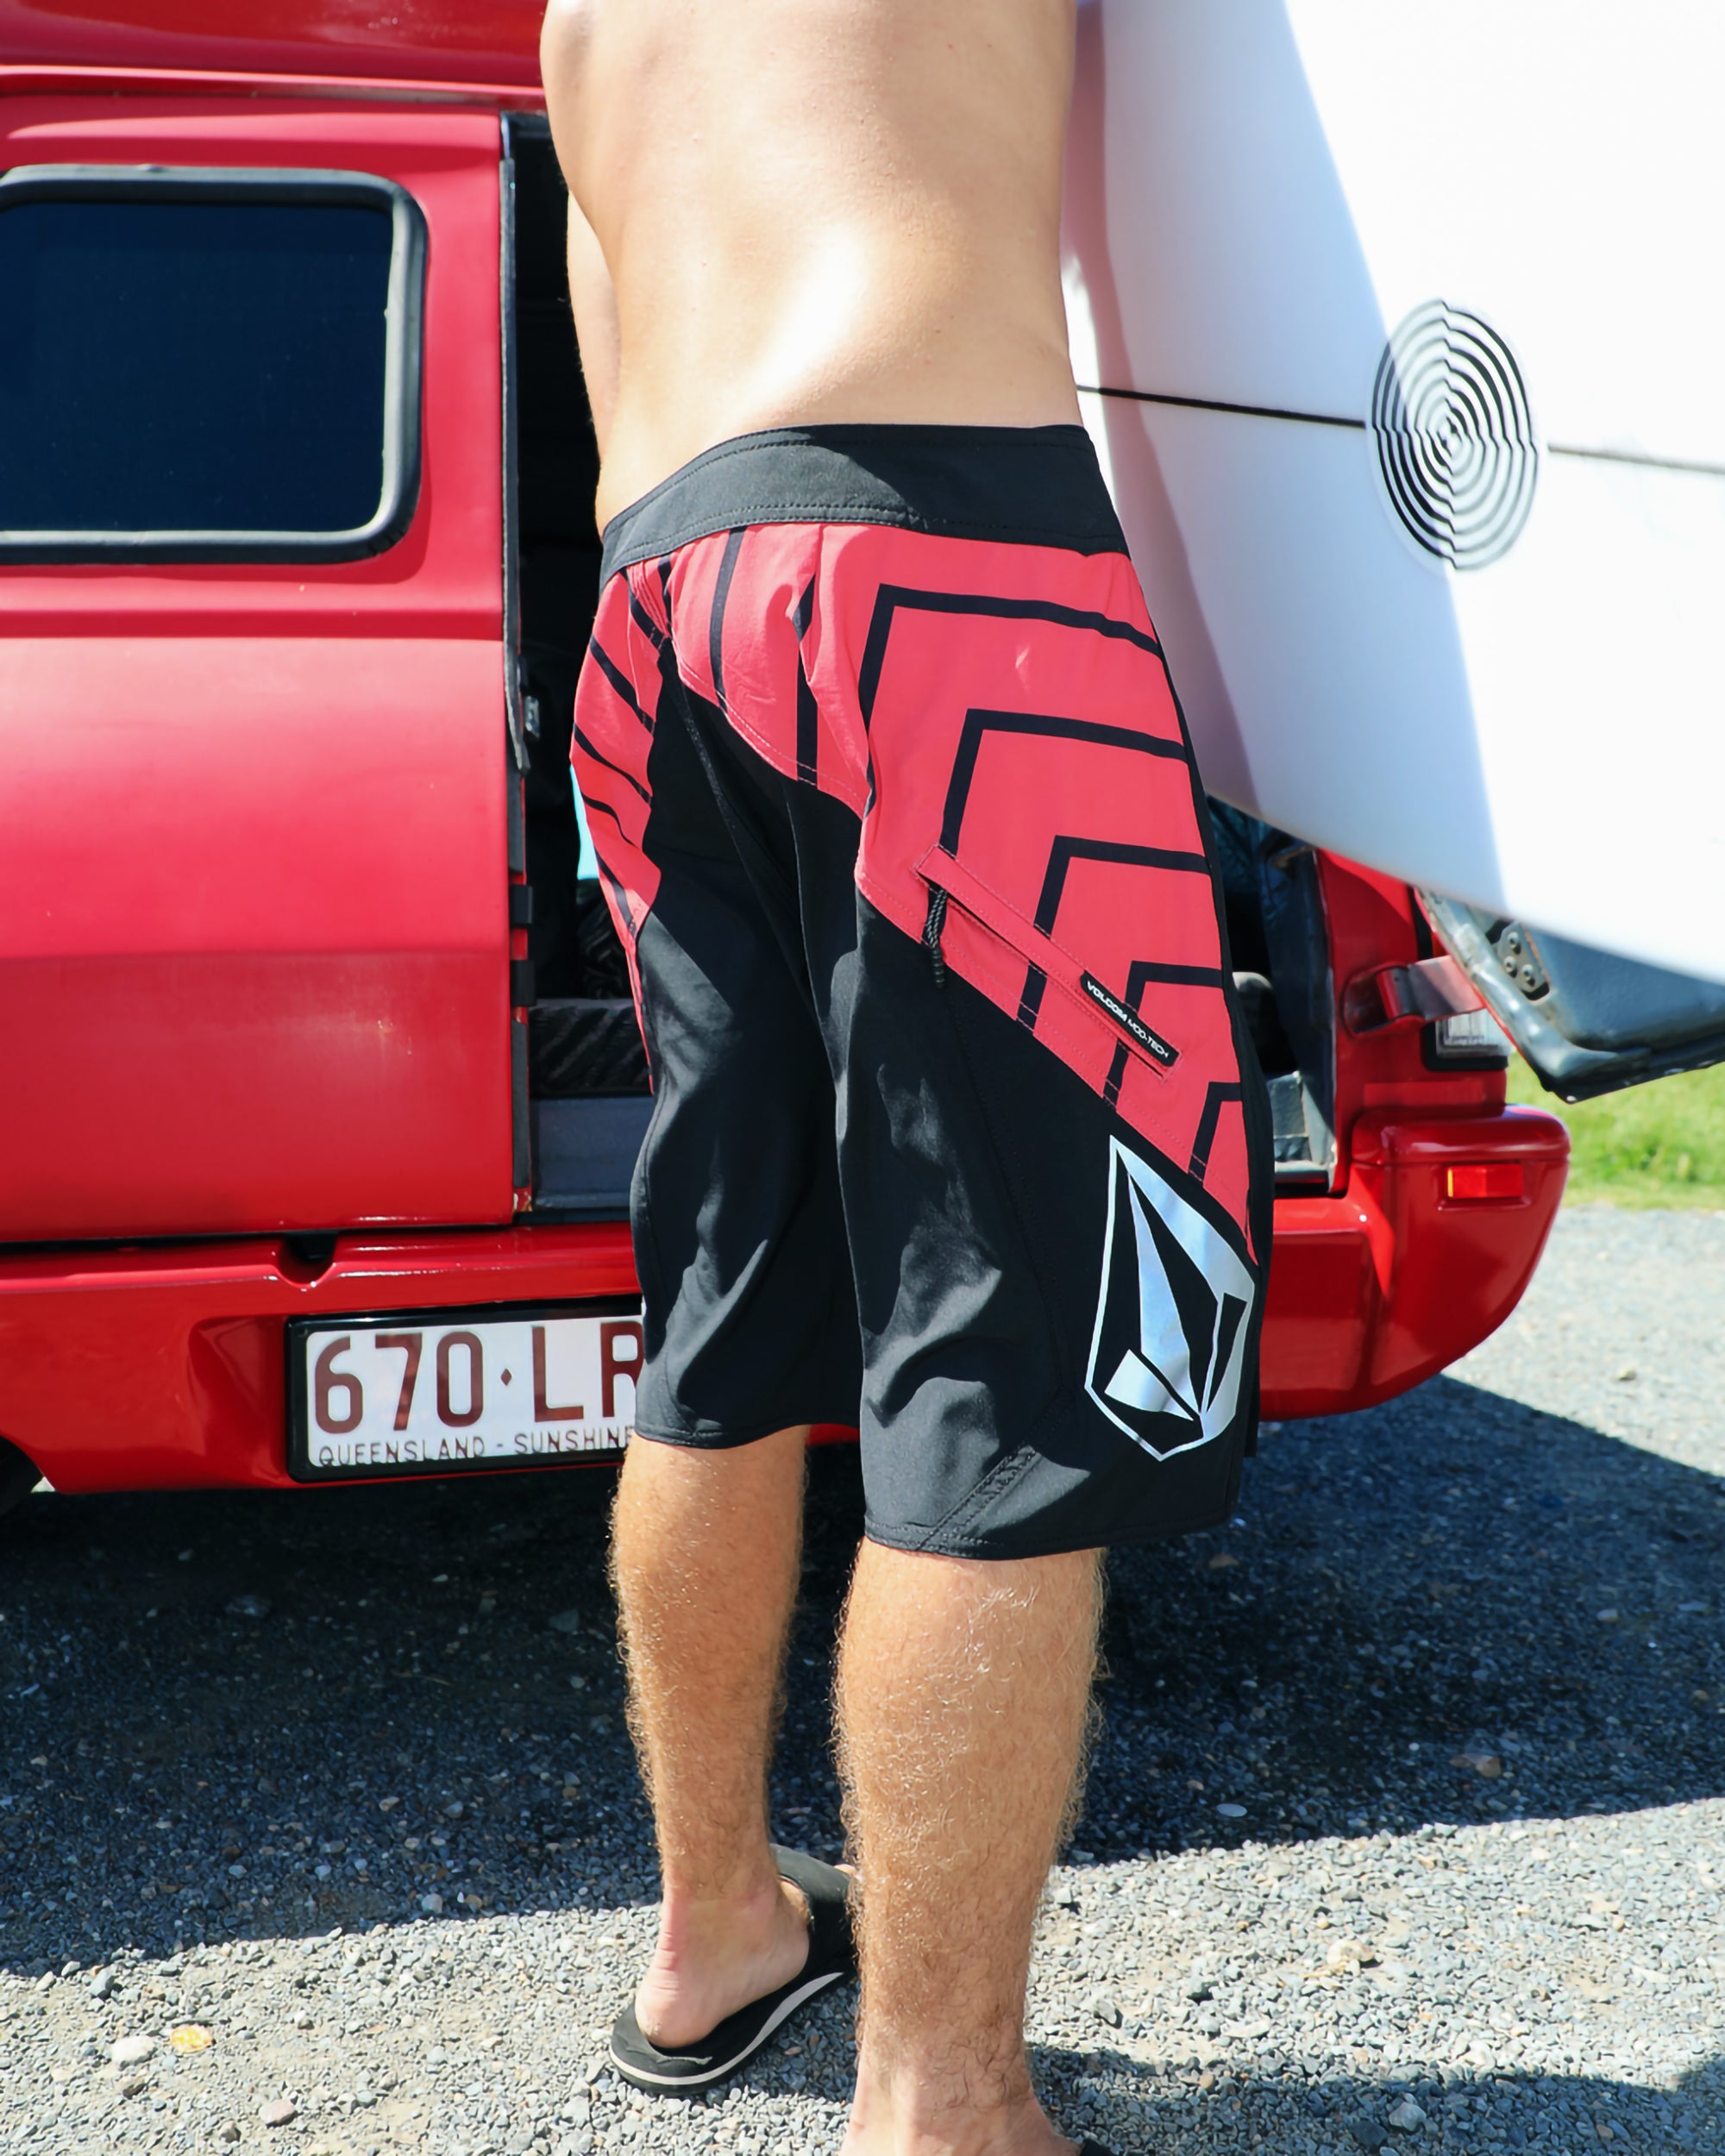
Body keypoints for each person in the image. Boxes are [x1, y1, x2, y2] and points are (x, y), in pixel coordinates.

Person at [538, 4, 1272, 2152]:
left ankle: (714, 1933)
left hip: (657, 605)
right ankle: (945, 2103)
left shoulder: (589, 21)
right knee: (1013, 1364)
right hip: (934, 562)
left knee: (722, 1320)